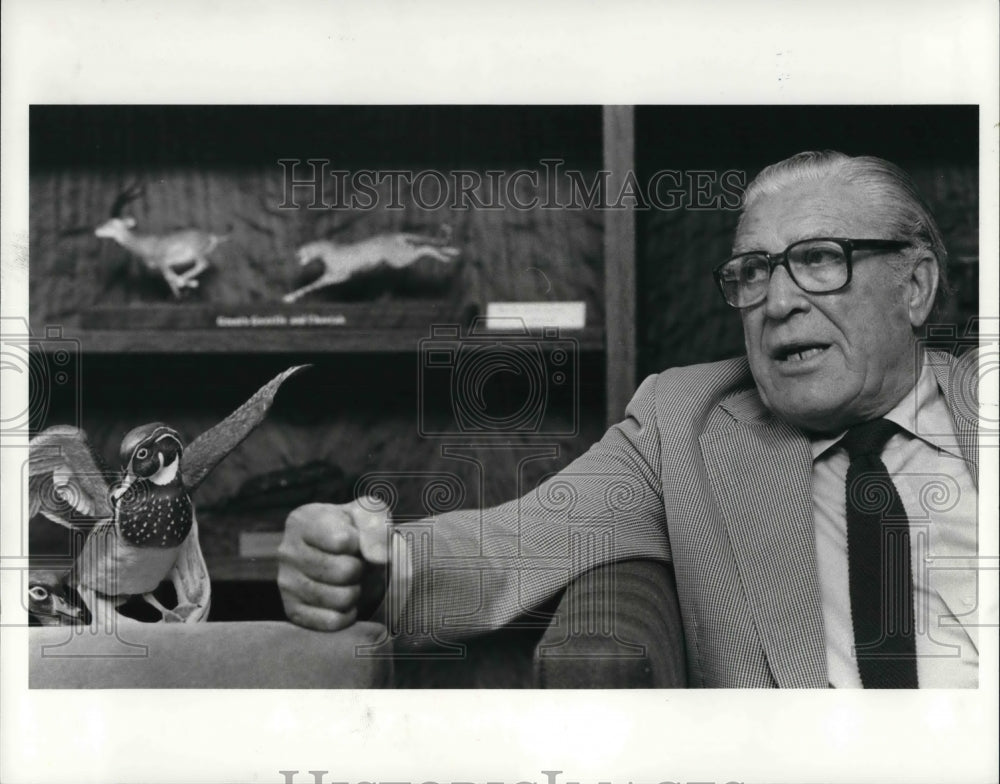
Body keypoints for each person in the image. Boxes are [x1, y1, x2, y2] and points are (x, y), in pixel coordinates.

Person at [276, 151, 980, 688]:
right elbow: (515, 542)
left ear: (914, 286)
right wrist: (368, 565)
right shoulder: (685, 424)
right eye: (755, 272)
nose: (778, 301)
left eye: (820, 260)